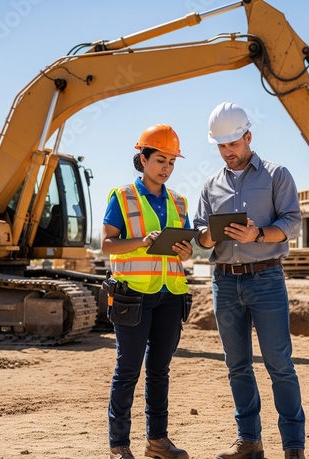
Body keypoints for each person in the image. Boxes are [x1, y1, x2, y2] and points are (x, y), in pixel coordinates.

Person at [193, 102, 306, 459]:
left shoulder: (276, 175)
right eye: (222, 146)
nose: (228, 152)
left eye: (234, 144)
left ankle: (293, 447)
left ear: (248, 137)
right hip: (224, 283)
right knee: (236, 364)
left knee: (279, 364)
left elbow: (292, 222)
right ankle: (249, 441)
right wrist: (210, 237)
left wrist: (258, 234)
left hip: (266, 279)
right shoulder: (211, 184)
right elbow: (199, 235)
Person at [102, 124, 193, 459]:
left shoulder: (180, 201)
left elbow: (185, 249)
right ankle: (119, 445)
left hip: (171, 295)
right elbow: (106, 245)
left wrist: (186, 253)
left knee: (160, 370)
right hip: (133, 295)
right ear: (143, 158)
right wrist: (141, 242)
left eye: (171, 161)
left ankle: (157, 441)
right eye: (160, 159)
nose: (166, 167)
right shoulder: (122, 196)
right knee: (128, 370)